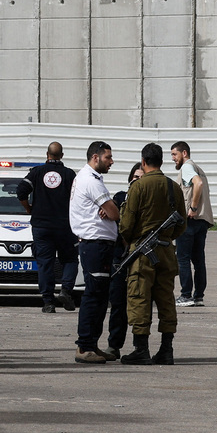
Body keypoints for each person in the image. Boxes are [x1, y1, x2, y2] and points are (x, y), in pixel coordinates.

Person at [119, 143, 187, 365]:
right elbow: (182, 224)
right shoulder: (172, 187)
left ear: (143, 162)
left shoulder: (138, 187)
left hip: (142, 253)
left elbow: (126, 225)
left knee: (139, 297)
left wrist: (131, 239)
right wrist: (166, 238)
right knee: (166, 299)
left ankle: (141, 349)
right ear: (161, 161)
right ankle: (166, 349)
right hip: (166, 252)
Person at [68, 141, 121, 364]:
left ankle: (92, 343)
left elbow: (110, 211)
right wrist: (111, 210)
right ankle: (85, 346)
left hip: (99, 245)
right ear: (95, 157)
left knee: (100, 297)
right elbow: (114, 212)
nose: (111, 161)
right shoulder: (90, 180)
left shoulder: (90, 178)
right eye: (108, 157)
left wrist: (110, 210)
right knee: (93, 296)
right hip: (95, 246)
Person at [16, 142, 79, 313]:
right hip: (65, 226)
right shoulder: (69, 174)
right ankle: (65, 290)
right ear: (62, 156)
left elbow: (21, 191)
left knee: (45, 263)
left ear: (47, 154)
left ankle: (48, 302)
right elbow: (78, 198)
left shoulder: (36, 172)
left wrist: (28, 208)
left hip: (41, 226)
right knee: (70, 259)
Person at [172, 142, 212, 307]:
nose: (173, 159)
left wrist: (193, 208)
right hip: (202, 222)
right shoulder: (198, 168)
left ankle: (186, 295)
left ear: (184, 153)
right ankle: (198, 296)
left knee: (183, 259)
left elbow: (198, 184)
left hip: (190, 220)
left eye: (175, 154)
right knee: (198, 260)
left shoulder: (187, 168)